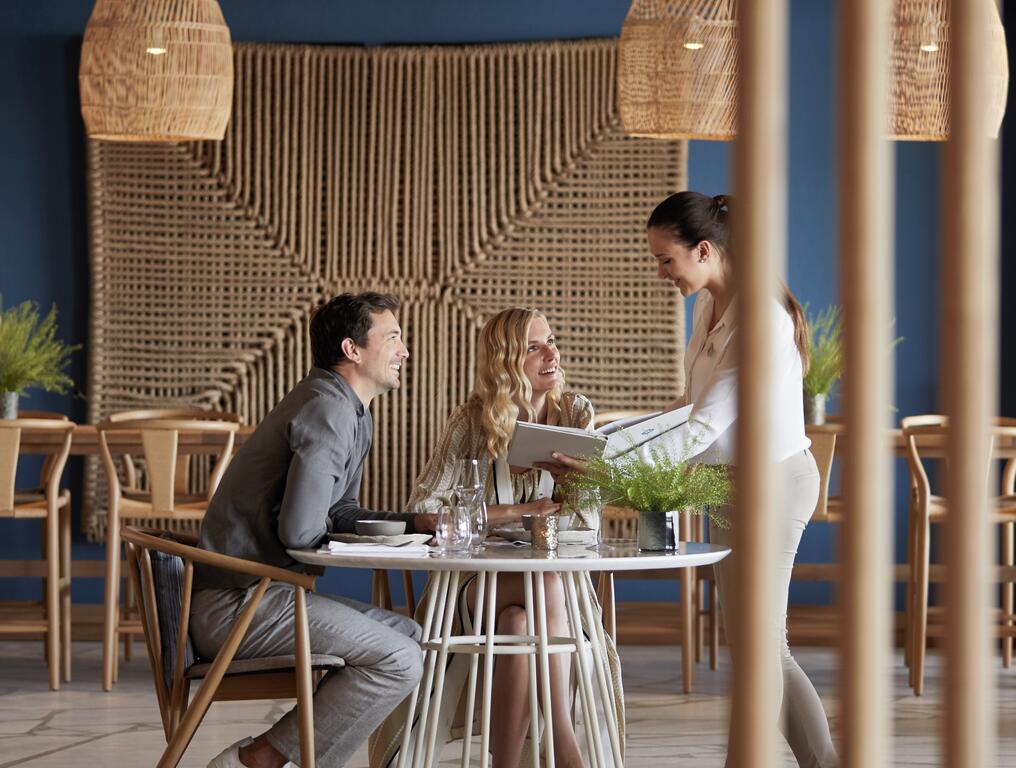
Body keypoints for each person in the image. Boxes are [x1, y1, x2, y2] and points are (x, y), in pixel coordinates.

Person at [552, 192, 839, 768]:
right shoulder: (708, 305)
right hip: (726, 484)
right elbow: (689, 406)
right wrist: (608, 442)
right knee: (760, 649)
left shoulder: (763, 320)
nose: (661, 272)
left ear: (704, 250)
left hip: (773, 485)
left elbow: (705, 425)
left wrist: (610, 468)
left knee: (761, 649)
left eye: (666, 259)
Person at [370, 307, 623, 768]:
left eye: (551, 341)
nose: (552, 354)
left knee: (518, 624)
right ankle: (564, 741)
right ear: (506, 361)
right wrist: (514, 512)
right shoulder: (471, 421)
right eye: (534, 347)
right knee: (542, 585)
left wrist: (573, 486)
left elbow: (585, 524)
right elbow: (424, 510)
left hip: (555, 594)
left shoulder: (575, 412)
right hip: (477, 587)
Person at [191, 292, 426, 768]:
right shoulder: (329, 409)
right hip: (238, 604)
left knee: (410, 634)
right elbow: (300, 533)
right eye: (394, 338)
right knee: (399, 658)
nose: (404, 351)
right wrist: (348, 535)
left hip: (263, 595)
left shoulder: (350, 410)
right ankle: (258, 760)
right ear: (352, 349)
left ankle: (268, 757)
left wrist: (416, 524)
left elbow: (340, 510)